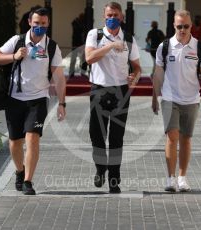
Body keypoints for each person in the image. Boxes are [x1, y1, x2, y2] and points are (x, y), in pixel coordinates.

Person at [0, 7, 66, 195]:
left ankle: (28, 181)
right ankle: (19, 170)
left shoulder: (51, 46)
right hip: (15, 98)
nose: (40, 26)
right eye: (36, 23)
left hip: (38, 99)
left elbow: (58, 76)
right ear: (30, 22)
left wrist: (62, 104)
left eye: (43, 23)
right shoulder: (17, 41)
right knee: (15, 141)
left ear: (48, 23)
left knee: (32, 138)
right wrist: (14, 56)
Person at [152, 10, 201, 192]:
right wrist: (155, 97)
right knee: (172, 136)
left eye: (186, 26)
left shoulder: (200, 47)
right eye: (179, 26)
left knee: (186, 138)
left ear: (191, 26)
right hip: (170, 97)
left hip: (192, 98)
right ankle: (170, 179)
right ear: (174, 26)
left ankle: (182, 177)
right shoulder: (164, 46)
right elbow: (158, 74)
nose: (183, 30)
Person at [85, 2, 141, 193]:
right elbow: (89, 58)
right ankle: (101, 168)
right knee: (96, 135)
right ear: (104, 16)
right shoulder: (95, 35)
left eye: (116, 15)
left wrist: (135, 77)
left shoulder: (129, 40)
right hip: (99, 89)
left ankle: (114, 180)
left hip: (121, 92)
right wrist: (110, 46)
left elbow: (137, 67)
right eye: (109, 15)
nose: (113, 18)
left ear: (122, 17)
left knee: (117, 138)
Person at [69, 13, 88, 77]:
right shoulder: (75, 22)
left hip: (83, 43)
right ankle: (71, 73)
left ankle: (83, 72)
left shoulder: (84, 23)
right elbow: (78, 29)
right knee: (74, 58)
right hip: (76, 43)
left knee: (84, 59)